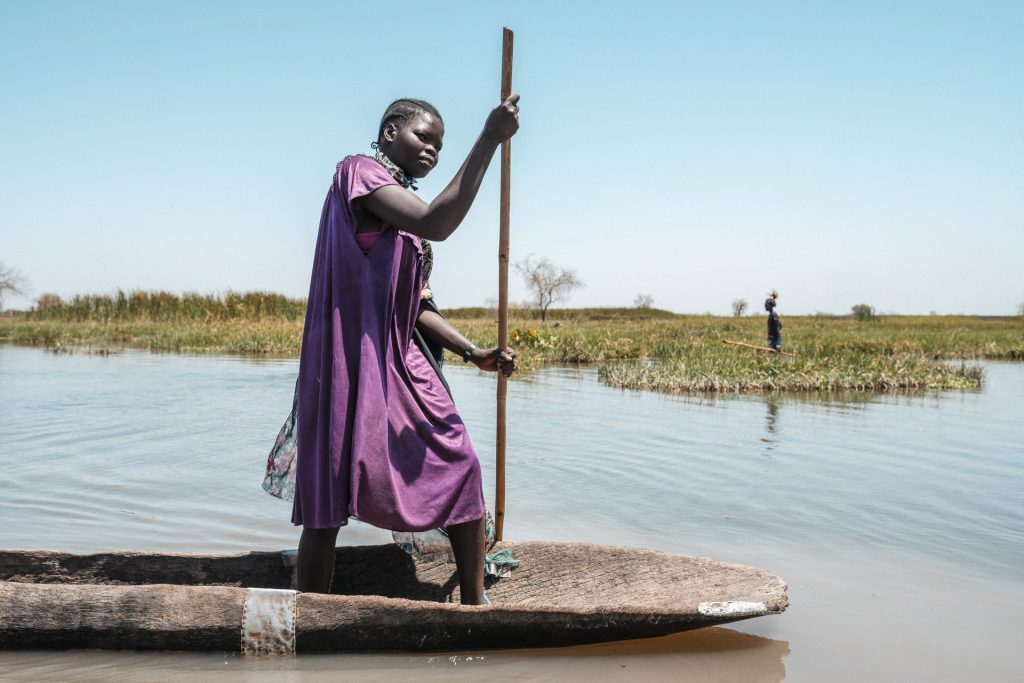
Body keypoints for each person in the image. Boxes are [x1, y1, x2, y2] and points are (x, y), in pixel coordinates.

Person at [291, 96, 520, 605]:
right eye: (424, 137)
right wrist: (489, 139)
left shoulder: (409, 232)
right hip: (350, 360)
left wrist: (473, 352)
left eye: (440, 145)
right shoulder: (359, 174)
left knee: (458, 459)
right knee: (328, 496)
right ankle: (310, 614)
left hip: (399, 359)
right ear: (391, 130)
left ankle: (474, 604)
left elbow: (417, 308)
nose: (433, 151)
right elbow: (438, 219)